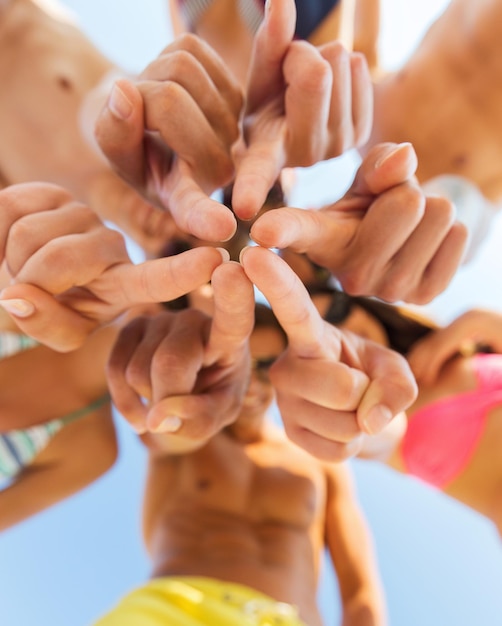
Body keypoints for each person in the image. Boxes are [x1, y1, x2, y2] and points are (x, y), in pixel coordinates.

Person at [98, 299, 387, 625]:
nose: (250, 382)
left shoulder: (321, 462)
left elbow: (360, 590)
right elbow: (163, 431)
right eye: (239, 365)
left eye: (265, 366)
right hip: (173, 609)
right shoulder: (189, 434)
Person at [302, 282, 502, 535]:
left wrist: (453, 333)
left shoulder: (465, 347)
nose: (344, 333)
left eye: (337, 313)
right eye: (326, 339)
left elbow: (483, 319)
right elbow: (371, 437)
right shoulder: (381, 415)